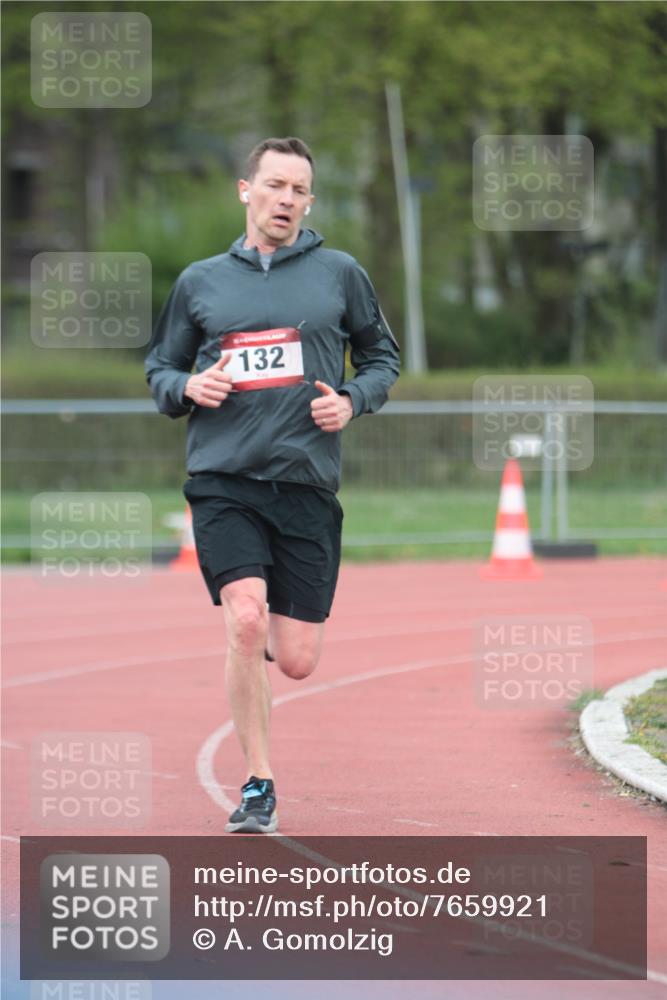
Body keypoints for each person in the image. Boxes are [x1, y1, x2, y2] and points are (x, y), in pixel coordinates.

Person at [145, 136, 400, 833]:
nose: (286, 199)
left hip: (305, 485)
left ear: (309, 202)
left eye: (299, 190)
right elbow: (161, 369)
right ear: (245, 190)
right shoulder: (200, 282)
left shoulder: (340, 274)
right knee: (245, 618)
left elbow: (382, 358)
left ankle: (257, 642)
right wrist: (187, 386)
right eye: (275, 185)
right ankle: (258, 783)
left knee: (296, 661)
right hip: (223, 480)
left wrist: (351, 399)